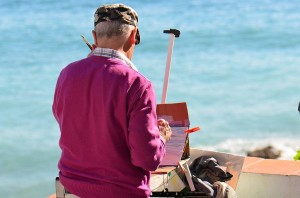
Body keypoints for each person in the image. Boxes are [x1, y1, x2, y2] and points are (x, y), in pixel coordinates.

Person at [52, 3, 172, 198]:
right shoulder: (138, 84)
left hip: (72, 188)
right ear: (133, 36)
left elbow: (69, 122)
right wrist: (161, 138)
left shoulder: (67, 74)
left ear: (94, 37)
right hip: (122, 192)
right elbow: (148, 160)